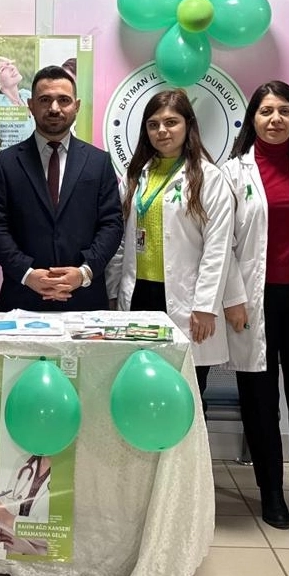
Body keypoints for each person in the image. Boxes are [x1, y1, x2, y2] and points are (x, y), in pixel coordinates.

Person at [221, 81, 289, 530]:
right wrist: (233, 298)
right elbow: (223, 245)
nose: (275, 119)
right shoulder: (234, 172)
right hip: (254, 300)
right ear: (253, 118)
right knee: (260, 402)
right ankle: (270, 491)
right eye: (266, 111)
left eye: (284, 111)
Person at [108, 89, 234, 397]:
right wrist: (113, 292)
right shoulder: (135, 176)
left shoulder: (208, 178)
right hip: (139, 296)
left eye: (171, 122)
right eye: (153, 124)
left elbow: (217, 248)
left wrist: (206, 307)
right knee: (140, 387)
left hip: (185, 299)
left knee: (186, 390)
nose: (162, 130)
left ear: (188, 125)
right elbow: (121, 242)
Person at [0, 65, 123, 312]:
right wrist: (27, 274)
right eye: (45, 100)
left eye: (64, 100)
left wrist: (84, 272)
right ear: (30, 105)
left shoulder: (99, 162)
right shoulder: (5, 163)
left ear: (76, 106)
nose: (54, 108)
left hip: (85, 300)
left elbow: (111, 225)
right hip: (22, 297)